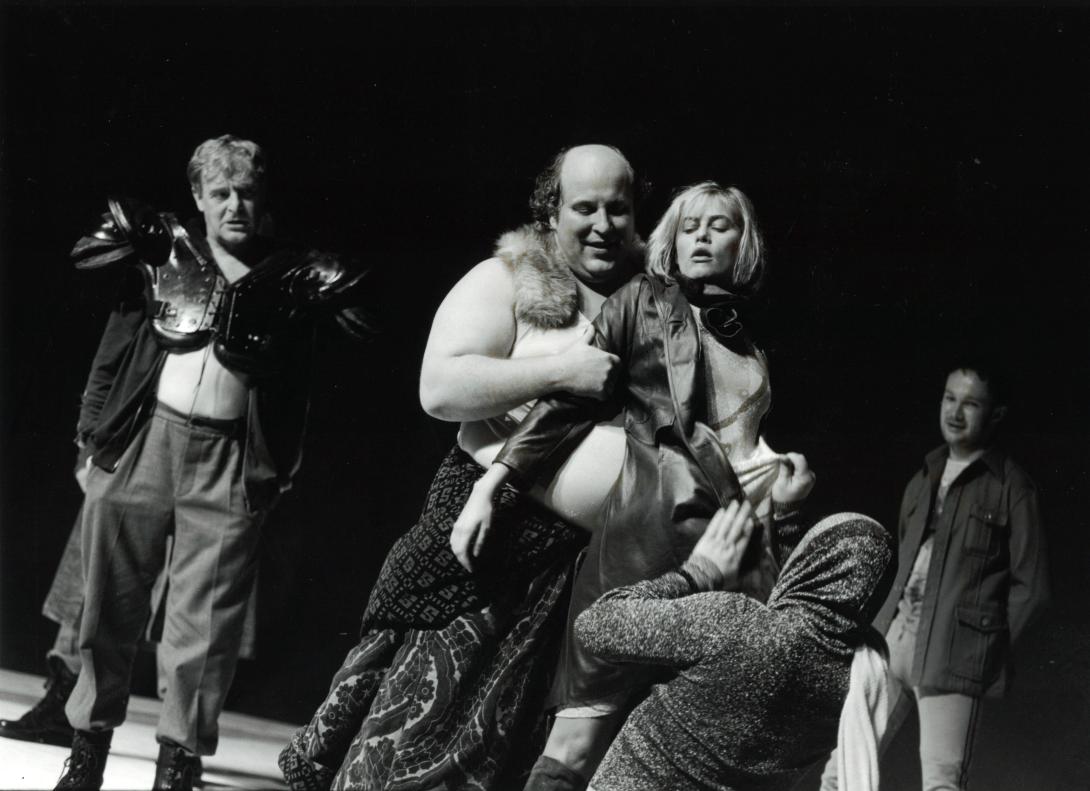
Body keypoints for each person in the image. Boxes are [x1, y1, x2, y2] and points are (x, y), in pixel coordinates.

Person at [279, 144, 643, 791]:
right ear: (551, 211)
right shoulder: (508, 279)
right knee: (405, 746)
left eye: (617, 208)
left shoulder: (652, 305)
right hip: (481, 545)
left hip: (577, 575)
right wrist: (562, 370)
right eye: (584, 207)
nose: (602, 224)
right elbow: (440, 388)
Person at [455, 181, 813, 789]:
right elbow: (566, 405)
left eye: (719, 225)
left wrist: (785, 502)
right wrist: (493, 483)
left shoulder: (750, 338)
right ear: (672, 238)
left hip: (740, 557)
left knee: (691, 760)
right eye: (690, 226)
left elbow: (740, 446)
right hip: (648, 543)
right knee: (574, 747)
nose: (702, 237)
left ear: (744, 242)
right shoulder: (642, 302)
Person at [51, 134, 369, 791]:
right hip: (144, 443)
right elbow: (113, 353)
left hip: (228, 458)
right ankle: (87, 749)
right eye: (220, 192)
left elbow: (298, 389)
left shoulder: (288, 278)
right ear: (197, 196)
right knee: (108, 607)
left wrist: (274, 473)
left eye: (246, 193)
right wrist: (90, 443)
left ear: (263, 198)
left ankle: (178, 763)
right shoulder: (163, 255)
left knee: (206, 627)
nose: (234, 205)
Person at [820, 361, 1050, 791]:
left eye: (971, 404)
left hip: (952, 657)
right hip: (889, 647)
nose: (955, 412)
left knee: (942, 784)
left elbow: (1032, 588)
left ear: (996, 414)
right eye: (949, 398)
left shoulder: (1012, 488)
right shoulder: (921, 479)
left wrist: (983, 650)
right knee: (839, 775)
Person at [575, 501, 895, 791]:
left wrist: (699, 572)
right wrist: (785, 518)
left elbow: (596, 625)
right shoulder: (854, 682)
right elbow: (802, 612)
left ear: (809, 563)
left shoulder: (736, 624)